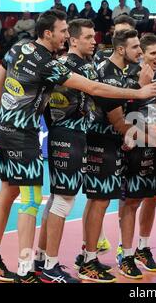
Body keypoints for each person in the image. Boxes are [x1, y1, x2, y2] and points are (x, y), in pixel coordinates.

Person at [0, 10, 156, 283]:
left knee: (11, 192)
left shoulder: (18, 48)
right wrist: (139, 91)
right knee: (34, 201)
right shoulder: (50, 64)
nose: (67, 36)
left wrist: (6, 116)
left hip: (8, 130)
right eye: (65, 32)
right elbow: (95, 89)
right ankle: (29, 269)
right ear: (50, 33)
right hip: (37, 136)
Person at [78, 29, 156, 282]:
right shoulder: (109, 74)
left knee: (98, 200)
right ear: (122, 50)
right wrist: (154, 136)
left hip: (112, 144)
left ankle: (89, 256)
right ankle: (89, 260)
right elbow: (119, 123)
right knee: (99, 201)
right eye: (136, 47)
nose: (140, 52)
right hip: (102, 143)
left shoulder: (123, 72)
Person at [34, 19, 99, 283]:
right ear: (73, 40)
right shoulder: (67, 68)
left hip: (68, 135)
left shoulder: (77, 65)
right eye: (89, 37)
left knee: (56, 199)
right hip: (69, 137)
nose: (94, 41)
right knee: (63, 200)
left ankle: (41, 258)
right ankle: (50, 266)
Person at [117, 33, 156, 279]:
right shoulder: (129, 77)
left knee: (154, 197)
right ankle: (126, 254)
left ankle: (143, 247)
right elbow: (121, 113)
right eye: (153, 53)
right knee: (131, 202)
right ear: (142, 54)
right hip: (134, 146)